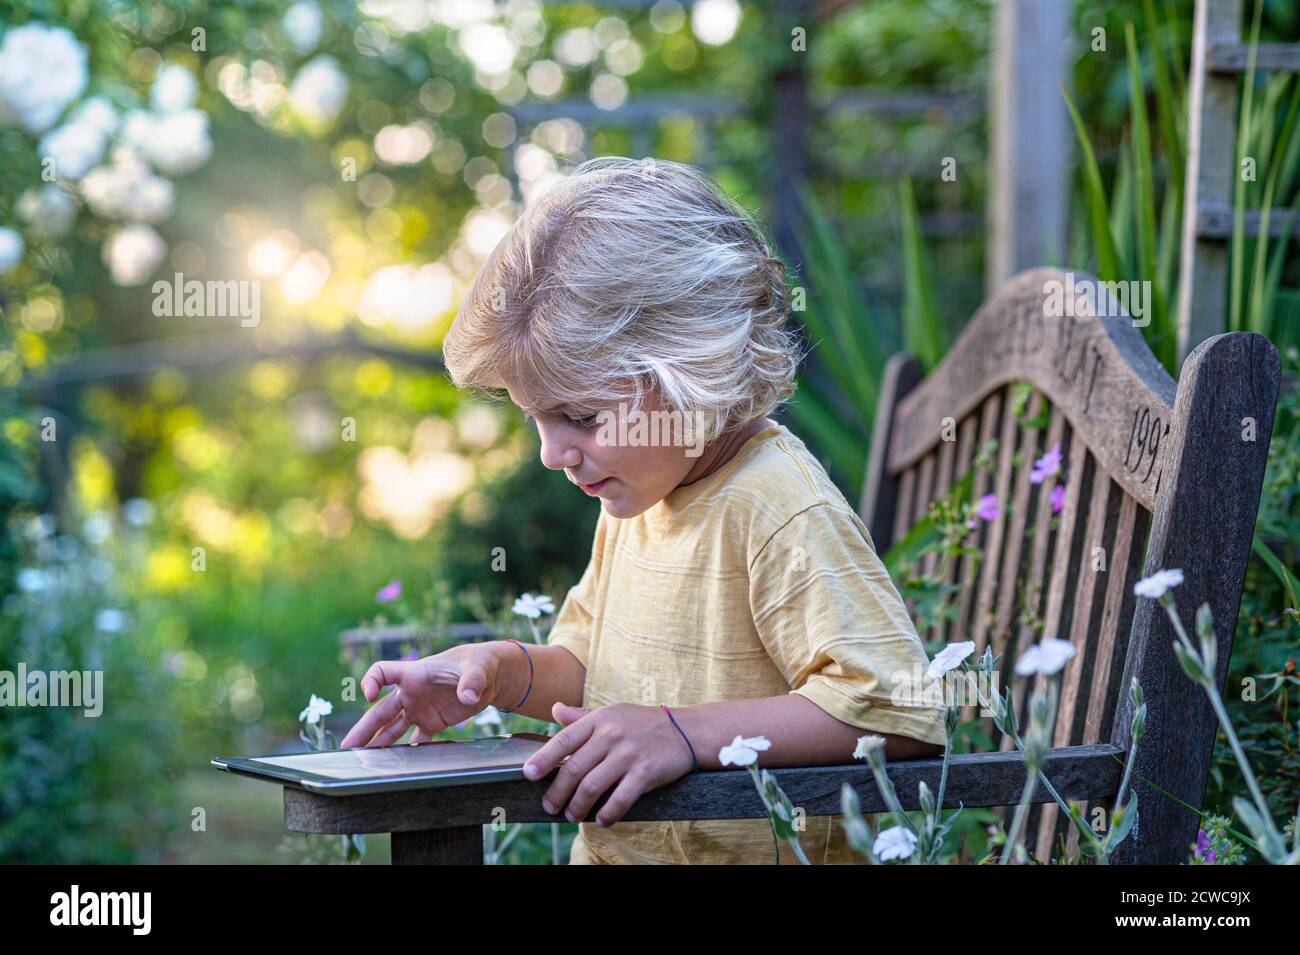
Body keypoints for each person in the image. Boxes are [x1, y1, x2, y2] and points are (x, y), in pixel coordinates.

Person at [341, 157, 946, 864]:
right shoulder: (640, 499)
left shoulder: (777, 502)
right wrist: (501, 673)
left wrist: (681, 733)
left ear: (692, 369)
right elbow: (588, 667)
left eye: (579, 416)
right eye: (538, 419)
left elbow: (892, 709)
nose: (551, 453)